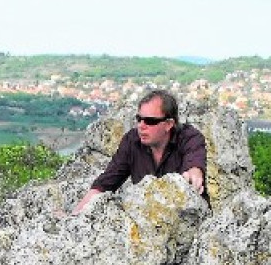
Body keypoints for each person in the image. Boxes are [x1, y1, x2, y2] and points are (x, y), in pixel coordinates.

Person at [72, 89, 207, 215]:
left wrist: (194, 173)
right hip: (144, 220)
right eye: (139, 119)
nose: (141, 126)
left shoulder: (189, 137)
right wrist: (75, 216)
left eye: (150, 121)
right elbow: (105, 183)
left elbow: (194, 160)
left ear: (168, 124)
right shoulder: (132, 141)